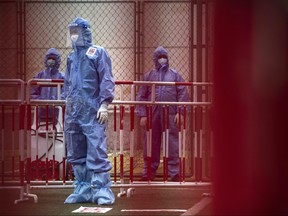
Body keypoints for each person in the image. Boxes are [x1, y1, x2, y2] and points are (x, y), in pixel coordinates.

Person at [62, 17, 115, 205]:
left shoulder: (97, 53)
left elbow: (106, 79)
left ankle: (102, 189)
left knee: (96, 148)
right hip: (74, 111)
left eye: (77, 31)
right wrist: (66, 105)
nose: (74, 36)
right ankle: (82, 187)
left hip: (93, 111)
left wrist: (104, 104)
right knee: (76, 149)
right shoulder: (71, 57)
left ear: (85, 32)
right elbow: (67, 83)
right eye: (72, 32)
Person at [136, 46, 189, 182]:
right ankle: (148, 172)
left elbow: (183, 93)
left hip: (170, 113)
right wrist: (142, 115)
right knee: (150, 142)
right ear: (155, 59)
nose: (162, 59)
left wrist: (181, 112)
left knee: (172, 142)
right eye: (159, 57)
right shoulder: (149, 76)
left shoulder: (175, 75)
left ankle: (174, 172)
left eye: (164, 56)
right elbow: (141, 96)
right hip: (152, 114)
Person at [30, 47, 64, 122]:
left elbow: (66, 92)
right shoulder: (39, 75)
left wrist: (56, 101)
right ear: (46, 60)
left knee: (58, 128)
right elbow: (33, 91)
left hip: (57, 109)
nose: (51, 61)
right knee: (39, 129)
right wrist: (40, 101)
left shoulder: (62, 77)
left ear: (57, 60)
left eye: (53, 59)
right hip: (41, 108)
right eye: (49, 58)